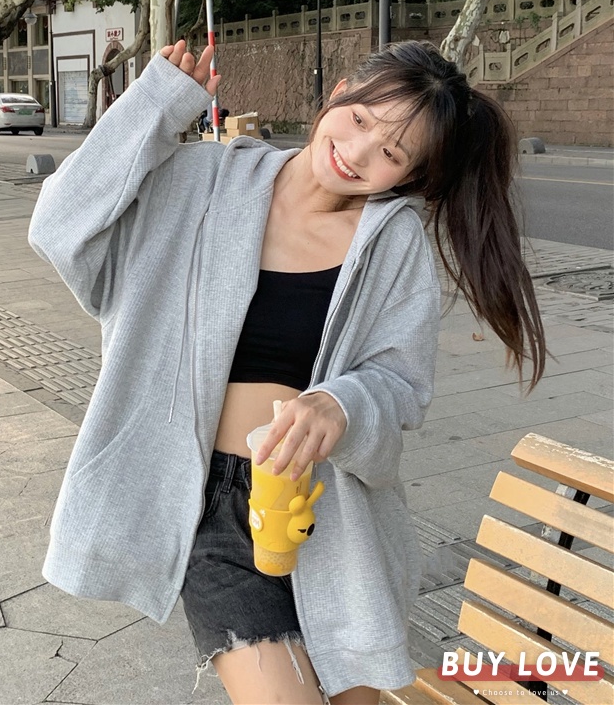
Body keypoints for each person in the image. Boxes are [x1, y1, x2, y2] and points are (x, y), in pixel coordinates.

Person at [28, 39, 546, 705]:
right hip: (208, 506)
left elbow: (401, 386)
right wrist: (155, 105)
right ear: (338, 95)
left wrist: (342, 405)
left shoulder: (391, 243)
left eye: (392, 153)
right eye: (359, 120)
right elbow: (60, 226)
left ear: (413, 175)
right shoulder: (199, 181)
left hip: (334, 515)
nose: (358, 152)